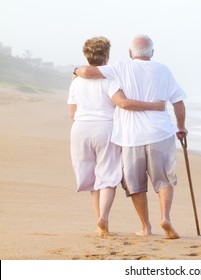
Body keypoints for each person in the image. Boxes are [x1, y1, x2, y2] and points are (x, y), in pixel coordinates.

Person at [75, 34, 187, 239]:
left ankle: (146, 227)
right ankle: (166, 217)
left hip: (130, 137)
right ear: (152, 53)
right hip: (160, 133)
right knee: (163, 180)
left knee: (136, 185)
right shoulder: (164, 70)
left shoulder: (121, 67)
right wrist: (181, 127)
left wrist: (75, 70)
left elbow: (86, 71)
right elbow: (178, 101)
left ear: (130, 53)